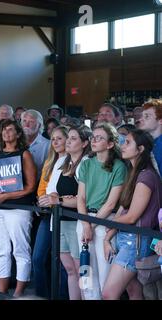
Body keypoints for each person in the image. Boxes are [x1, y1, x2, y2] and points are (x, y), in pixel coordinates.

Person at [102, 130, 162, 300]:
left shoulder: (146, 176)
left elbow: (131, 217)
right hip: (129, 238)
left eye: (128, 142)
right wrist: (108, 236)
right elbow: (124, 209)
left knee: (108, 293)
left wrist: (110, 224)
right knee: (133, 291)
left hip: (135, 240)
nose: (123, 146)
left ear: (140, 149)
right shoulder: (136, 173)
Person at [39, 125, 93, 300]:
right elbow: (54, 191)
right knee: (70, 270)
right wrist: (57, 196)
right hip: (60, 220)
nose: (68, 141)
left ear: (85, 143)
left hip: (76, 223)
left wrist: (61, 200)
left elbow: (85, 199)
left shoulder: (87, 163)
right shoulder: (64, 162)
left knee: (82, 272)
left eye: (73, 138)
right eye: (67, 138)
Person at [76, 122, 127, 299]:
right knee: (86, 273)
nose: (94, 140)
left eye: (99, 138)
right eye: (93, 137)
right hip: (84, 219)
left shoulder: (119, 166)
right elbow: (80, 198)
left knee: (104, 274)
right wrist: (85, 224)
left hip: (105, 220)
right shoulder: (86, 164)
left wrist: (91, 224)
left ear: (110, 144)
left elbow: (111, 203)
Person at [0, 119, 37, 297]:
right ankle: (2, 292)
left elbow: (31, 187)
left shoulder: (24, 154)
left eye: (10, 130)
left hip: (19, 208)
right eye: (3, 130)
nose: (6, 133)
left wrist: (7, 195)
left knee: (20, 250)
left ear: (18, 134)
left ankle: (18, 292)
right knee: (1, 251)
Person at [33, 125, 68, 298]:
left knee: (63, 263)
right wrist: (41, 200)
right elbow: (42, 188)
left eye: (59, 138)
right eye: (53, 139)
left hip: (64, 216)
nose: (55, 142)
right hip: (47, 215)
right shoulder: (50, 161)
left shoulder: (73, 162)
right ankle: (42, 295)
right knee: (38, 258)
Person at [139, 99, 161, 175]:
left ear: (160, 120)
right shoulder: (151, 143)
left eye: (147, 116)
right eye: (142, 116)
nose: (141, 119)